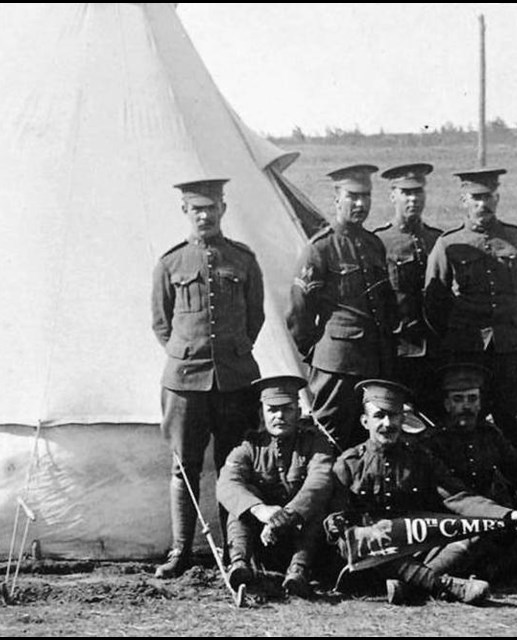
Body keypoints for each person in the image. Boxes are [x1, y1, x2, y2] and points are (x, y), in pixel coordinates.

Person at [326, 379, 517, 605]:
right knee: (355, 541)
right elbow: (335, 519)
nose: (387, 424)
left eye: (394, 416)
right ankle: (444, 585)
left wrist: (507, 515)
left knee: (478, 529)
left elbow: (458, 497)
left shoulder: (420, 458)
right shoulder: (349, 463)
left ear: (403, 419)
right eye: (379, 416)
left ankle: (410, 587)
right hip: (372, 555)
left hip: (417, 547)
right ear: (365, 421)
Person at [151, 177, 265, 578]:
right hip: (184, 380)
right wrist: (190, 353)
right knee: (184, 467)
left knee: (234, 467)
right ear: (185, 211)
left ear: (222, 210)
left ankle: (238, 554)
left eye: (211, 208)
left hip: (235, 381)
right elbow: (162, 324)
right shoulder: (171, 262)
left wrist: (232, 352)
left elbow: (256, 318)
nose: (204, 215)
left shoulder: (243, 259)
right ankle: (182, 551)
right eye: (196, 208)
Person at [423, 168, 517, 453]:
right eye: (475, 198)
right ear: (463, 201)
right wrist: (458, 334)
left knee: (512, 418)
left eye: (488, 197)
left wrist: (511, 326)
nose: (482, 204)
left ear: (497, 197)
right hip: (466, 350)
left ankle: (516, 483)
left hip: (509, 350)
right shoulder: (448, 244)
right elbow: (433, 304)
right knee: (464, 419)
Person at [422, 363, 517, 580]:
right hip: (456, 523)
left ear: (480, 403)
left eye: (472, 399)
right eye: (458, 399)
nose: (466, 406)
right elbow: (457, 498)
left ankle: (490, 570)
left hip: (500, 521)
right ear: (446, 404)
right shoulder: (431, 443)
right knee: (476, 540)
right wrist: (506, 515)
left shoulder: (490, 435)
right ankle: (440, 576)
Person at [286, 164, 397, 451]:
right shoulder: (320, 249)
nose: (360, 204)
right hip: (336, 365)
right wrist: (320, 352)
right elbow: (300, 314)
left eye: (366, 197)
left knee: (367, 440)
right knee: (328, 438)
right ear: (337, 199)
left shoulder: (374, 245)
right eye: (352, 196)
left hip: (372, 363)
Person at [216, 375, 334, 598]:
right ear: (262, 414)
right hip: (261, 540)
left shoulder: (314, 444)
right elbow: (227, 483)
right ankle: (239, 564)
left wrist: (285, 517)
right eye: (272, 410)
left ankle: (299, 571)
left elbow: (320, 482)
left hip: (301, 538)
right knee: (242, 499)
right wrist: (260, 510)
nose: (279, 416)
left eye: (287, 409)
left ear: (298, 413)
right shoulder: (249, 447)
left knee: (317, 505)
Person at [374, 163, 443, 420]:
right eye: (406, 192)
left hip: (434, 348)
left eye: (418, 192)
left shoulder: (437, 240)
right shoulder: (379, 242)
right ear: (393, 195)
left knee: (434, 414)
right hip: (397, 349)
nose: (413, 199)